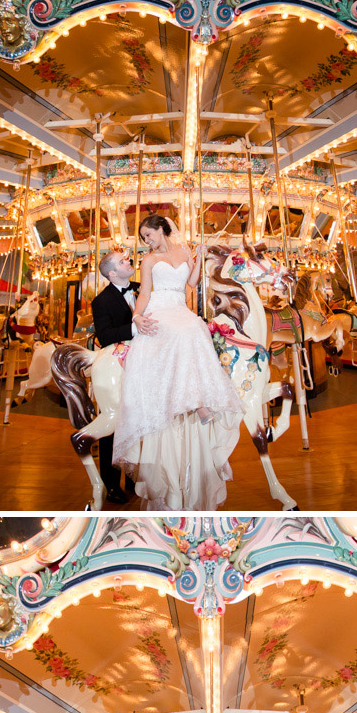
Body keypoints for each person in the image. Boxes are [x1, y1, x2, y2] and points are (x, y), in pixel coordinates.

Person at [111, 214, 242, 511]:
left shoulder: (183, 252)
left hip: (180, 308)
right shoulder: (148, 261)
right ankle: (197, 403)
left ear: (161, 229)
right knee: (182, 331)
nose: (147, 240)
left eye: (149, 234)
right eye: (144, 237)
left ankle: (197, 399)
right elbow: (144, 292)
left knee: (195, 328)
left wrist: (199, 256)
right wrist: (137, 316)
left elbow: (192, 283)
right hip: (159, 309)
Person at [90, 250, 157, 505]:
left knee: (143, 420)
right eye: (122, 261)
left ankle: (135, 476)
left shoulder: (144, 288)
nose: (128, 262)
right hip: (119, 364)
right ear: (111, 273)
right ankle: (110, 482)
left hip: (146, 362)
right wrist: (134, 326)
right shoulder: (102, 301)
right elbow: (105, 336)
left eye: (127, 259)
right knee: (115, 424)